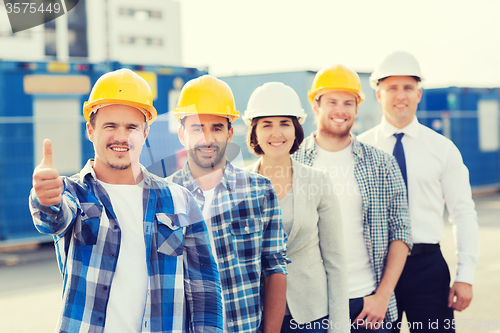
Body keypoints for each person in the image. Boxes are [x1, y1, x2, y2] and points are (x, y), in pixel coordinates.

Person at [29, 68, 223, 333]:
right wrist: (45, 199)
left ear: (145, 133)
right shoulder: (72, 193)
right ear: (90, 130)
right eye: (110, 126)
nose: (121, 136)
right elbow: (52, 217)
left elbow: (205, 292)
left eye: (131, 127)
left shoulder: (180, 201)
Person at [358, 51, 480, 332]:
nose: (401, 95)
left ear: (419, 94)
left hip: (427, 269)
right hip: (373, 268)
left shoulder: (442, 149)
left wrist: (466, 275)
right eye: (392, 88)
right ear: (378, 94)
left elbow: (463, 213)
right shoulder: (359, 150)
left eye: (408, 88)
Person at [292, 64, 412, 332]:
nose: (340, 110)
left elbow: (402, 232)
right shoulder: (293, 162)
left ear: (358, 108)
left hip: (368, 305)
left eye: (349, 102)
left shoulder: (382, 163)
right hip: (312, 307)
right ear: (315, 105)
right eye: (332, 101)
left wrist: (382, 296)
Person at [167, 75, 289, 333]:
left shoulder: (259, 191)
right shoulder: (164, 196)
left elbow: (274, 266)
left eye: (217, 128)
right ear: (182, 134)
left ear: (230, 133)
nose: (208, 138)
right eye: (198, 128)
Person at [243, 82, 349, 333]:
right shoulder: (239, 185)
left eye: (284, 123)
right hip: (255, 315)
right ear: (254, 132)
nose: (276, 133)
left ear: (296, 129)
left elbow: (336, 262)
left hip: (310, 316)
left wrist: (340, 327)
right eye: (266, 124)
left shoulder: (318, 181)